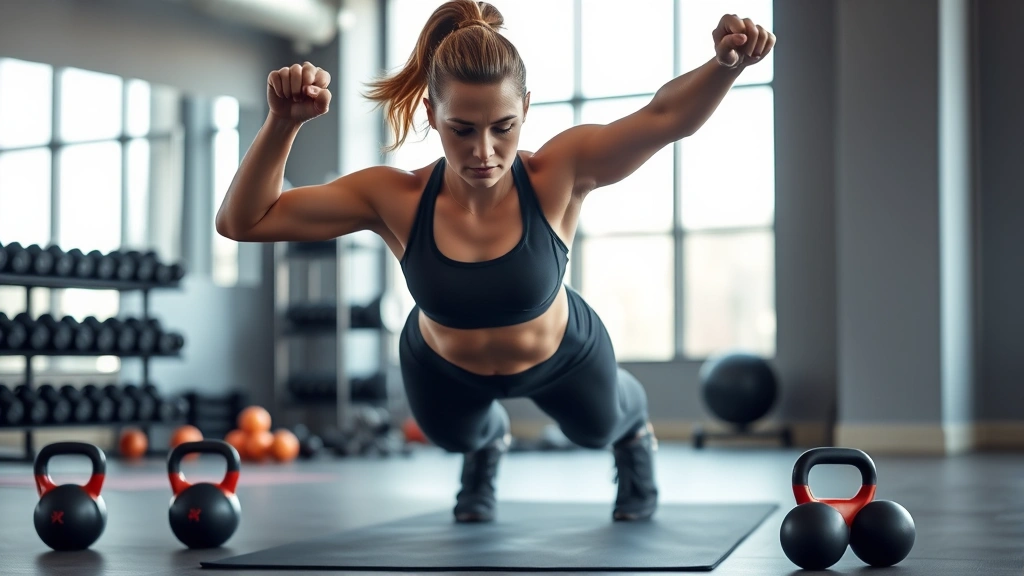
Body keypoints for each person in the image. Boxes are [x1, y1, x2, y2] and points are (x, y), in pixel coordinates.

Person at [216, 0, 775, 523]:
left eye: (502, 127)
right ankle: (486, 446)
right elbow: (244, 222)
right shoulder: (395, 199)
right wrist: (282, 123)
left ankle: (635, 438)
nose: (483, 151)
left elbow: (664, 116)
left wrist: (724, 66)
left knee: (600, 427)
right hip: (442, 366)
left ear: (525, 110)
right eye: (462, 129)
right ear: (432, 115)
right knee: (457, 436)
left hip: (562, 356)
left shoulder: (559, 174)